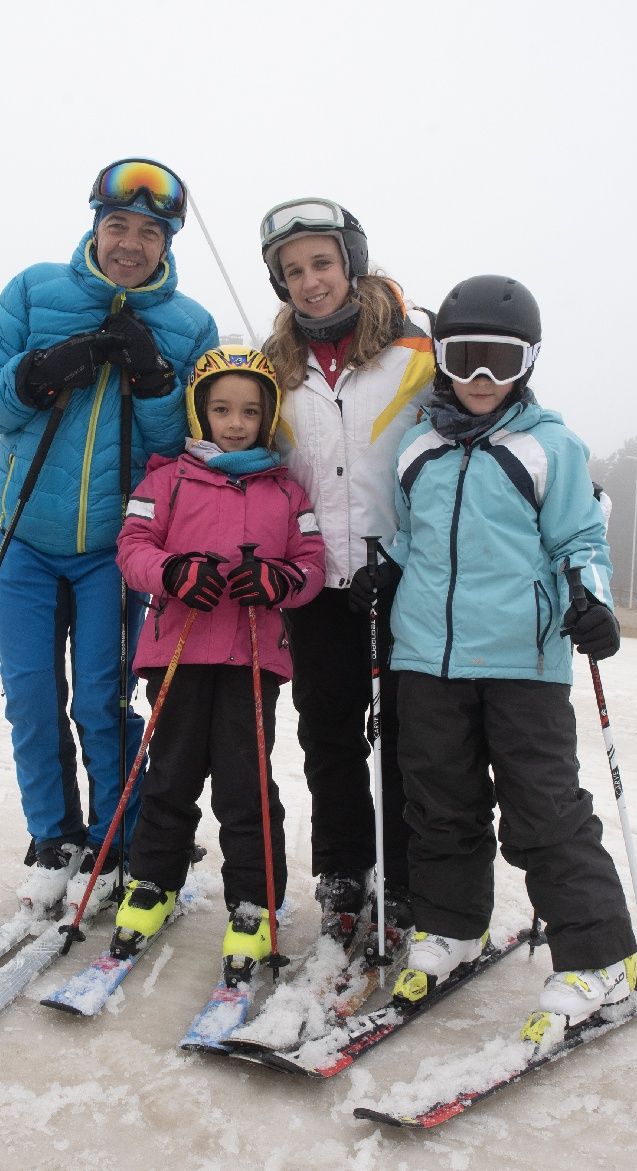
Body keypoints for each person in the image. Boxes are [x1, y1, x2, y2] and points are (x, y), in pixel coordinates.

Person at [371, 274, 637, 1056]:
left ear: (528, 363)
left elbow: (581, 542)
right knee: (439, 802)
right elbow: (409, 536)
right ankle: (452, 924)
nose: (481, 379)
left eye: (501, 361)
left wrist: (592, 600)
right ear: (443, 361)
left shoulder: (548, 445)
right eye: (464, 359)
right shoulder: (417, 444)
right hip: (426, 656)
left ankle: (598, 957)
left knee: (543, 810)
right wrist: (383, 571)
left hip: (523, 661)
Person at [0, 157, 218, 913]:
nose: (129, 244)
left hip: (114, 549)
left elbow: (185, 447)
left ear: (168, 240)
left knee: (101, 700)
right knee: (32, 695)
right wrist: (38, 371)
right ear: (94, 226)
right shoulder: (36, 290)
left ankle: (114, 837)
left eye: (148, 231)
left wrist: (157, 379)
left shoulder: (189, 324)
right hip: (22, 539)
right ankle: (54, 835)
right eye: (117, 226)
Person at [109, 345, 326, 976]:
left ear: (268, 416)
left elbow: (311, 565)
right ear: (200, 412)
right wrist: (174, 572)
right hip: (177, 651)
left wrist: (280, 581)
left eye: (250, 412)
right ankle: (152, 883)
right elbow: (133, 548)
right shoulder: (166, 480)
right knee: (171, 773)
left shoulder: (286, 493)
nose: (235, 423)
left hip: (251, 655)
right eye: (222, 409)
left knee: (245, 780)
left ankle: (255, 902)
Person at [256, 196, 435, 940]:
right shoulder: (276, 369)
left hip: (401, 578)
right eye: (292, 271)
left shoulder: (416, 353)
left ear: (351, 262)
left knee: (405, 731)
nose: (309, 282)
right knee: (327, 732)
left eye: (321, 263)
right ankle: (341, 869)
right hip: (317, 584)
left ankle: (404, 871)